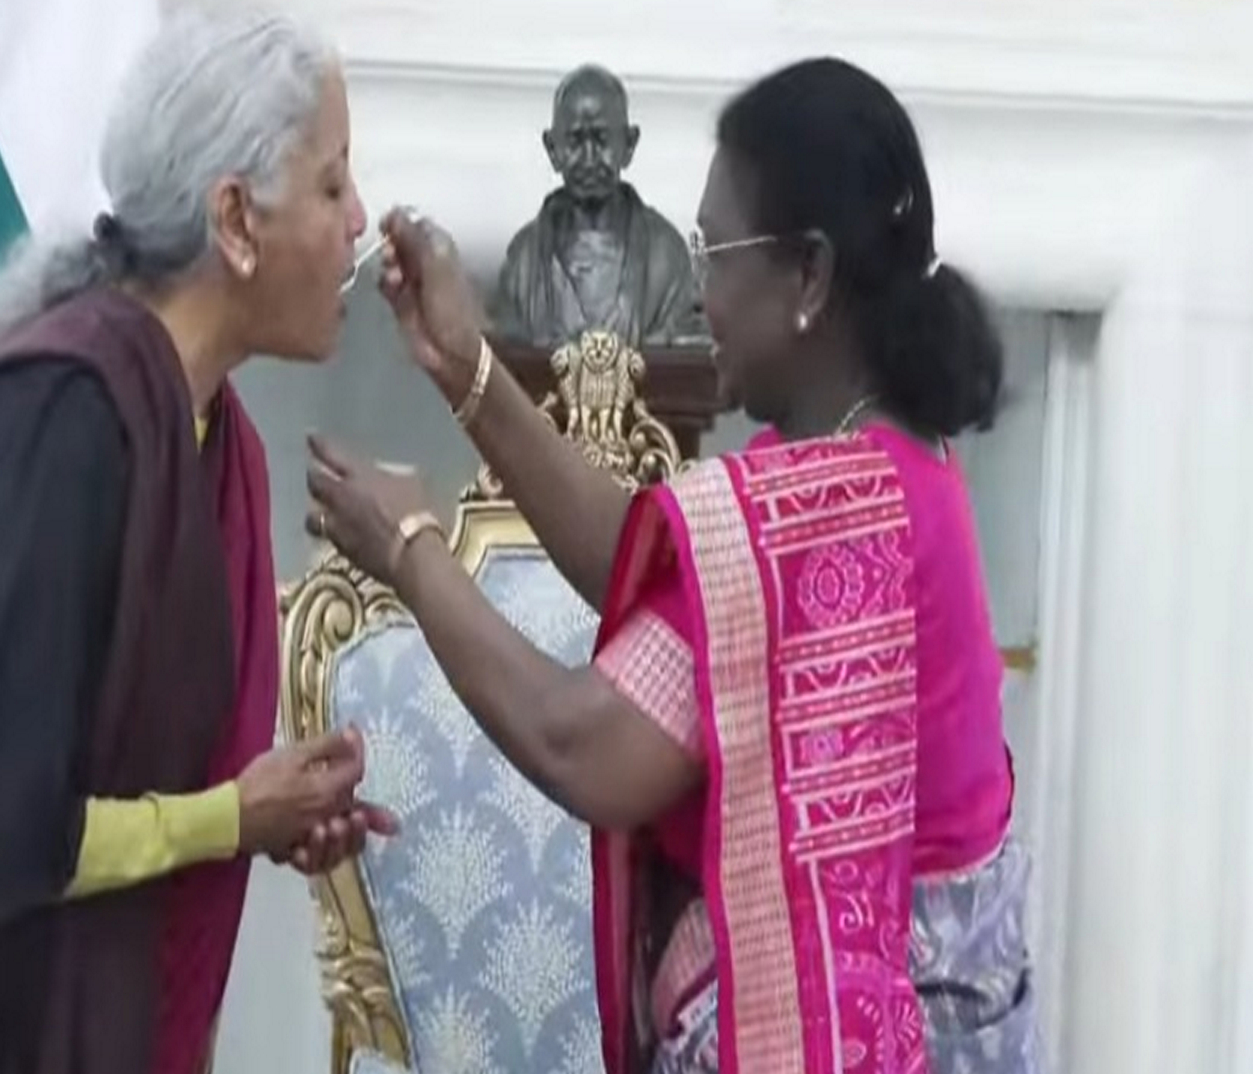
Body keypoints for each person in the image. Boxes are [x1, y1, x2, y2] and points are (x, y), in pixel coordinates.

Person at [308, 58, 1040, 1073]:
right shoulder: (862, 463)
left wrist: (411, 551)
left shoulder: (844, 511)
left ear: (809, 276)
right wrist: (465, 366)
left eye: (713, 249)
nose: (698, 291)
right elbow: (653, 573)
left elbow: (583, 746)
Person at [0, 9, 396, 1074]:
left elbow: (130, 776)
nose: (359, 219)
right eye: (331, 184)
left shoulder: (211, 440)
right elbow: (0, 827)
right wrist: (231, 817)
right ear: (234, 217)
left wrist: (269, 813)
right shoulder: (60, 423)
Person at [489, 63, 708, 349]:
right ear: (552, 149)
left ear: (628, 145)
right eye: (575, 141)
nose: (589, 158)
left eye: (602, 139)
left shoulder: (666, 254)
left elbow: (684, 356)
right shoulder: (524, 260)